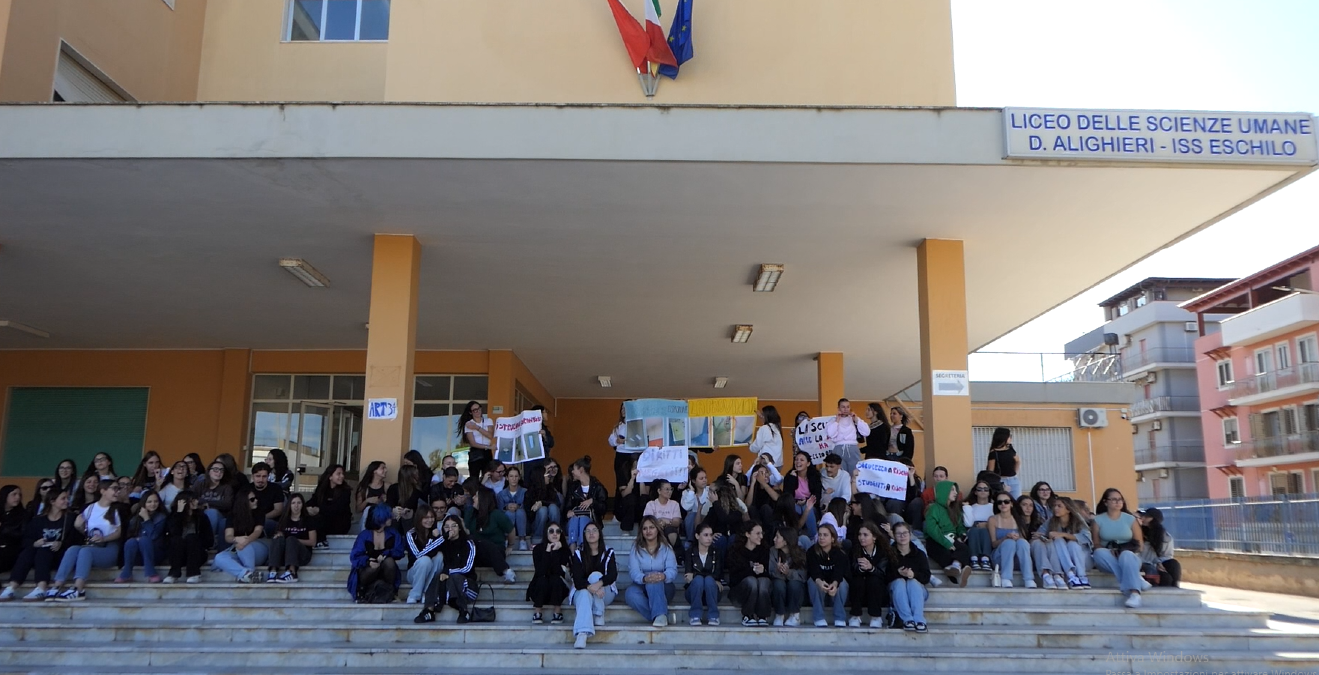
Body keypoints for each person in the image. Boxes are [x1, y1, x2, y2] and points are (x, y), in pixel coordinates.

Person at [49, 478, 122, 601]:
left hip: (109, 548)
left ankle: (79, 589)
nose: (118, 492)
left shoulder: (116, 509)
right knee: (73, 549)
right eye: (114, 488)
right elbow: (86, 531)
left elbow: (118, 533)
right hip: (93, 545)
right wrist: (79, 526)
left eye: (118, 489)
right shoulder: (90, 508)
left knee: (85, 551)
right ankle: (57, 585)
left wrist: (103, 539)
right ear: (103, 491)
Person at [0, 488, 71, 602]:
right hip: (40, 557)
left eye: (67, 498)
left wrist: (61, 543)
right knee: (29, 550)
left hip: (60, 556)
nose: (67, 501)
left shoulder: (70, 518)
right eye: (63, 498)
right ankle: (11, 587)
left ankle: (41, 588)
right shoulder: (38, 520)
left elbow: (76, 541)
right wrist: (35, 543)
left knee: (44, 550)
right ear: (52, 501)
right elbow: (26, 539)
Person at [414, 516, 477, 624]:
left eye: (454, 526)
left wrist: (448, 572)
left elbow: (467, 568)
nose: (450, 529)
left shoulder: (468, 543)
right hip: (447, 587)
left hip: (467, 588)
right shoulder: (443, 542)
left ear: (460, 528)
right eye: (447, 527)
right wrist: (442, 538)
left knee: (455, 576)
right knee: (438, 575)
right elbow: (423, 553)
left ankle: (464, 611)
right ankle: (429, 611)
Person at [1092, 488, 1147, 608]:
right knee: (1098, 552)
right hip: (1108, 557)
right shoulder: (1097, 520)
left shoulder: (1131, 519)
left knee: (1126, 555)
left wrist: (1121, 552)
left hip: (1129, 555)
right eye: (1114, 499)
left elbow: (1139, 544)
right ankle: (1135, 578)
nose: (1118, 502)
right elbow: (1096, 544)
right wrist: (1110, 551)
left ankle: (1135, 594)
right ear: (1105, 502)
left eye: (1120, 499)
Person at [570, 521, 618, 649]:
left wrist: (598, 584)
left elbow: (612, 575)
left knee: (595, 576)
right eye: (588, 531)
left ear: (599, 533)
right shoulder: (579, 554)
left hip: (605, 594)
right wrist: (591, 588)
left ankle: (598, 612)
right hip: (583, 593)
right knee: (585, 593)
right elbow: (578, 579)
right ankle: (582, 633)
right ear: (584, 535)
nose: (591, 533)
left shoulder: (608, 552)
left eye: (594, 530)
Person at [626, 516, 678, 628]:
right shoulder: (636, 548)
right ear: (641, 531)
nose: (648, 531)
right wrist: (644, 578)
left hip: (664, 586)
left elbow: (672, 570)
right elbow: (634, 571)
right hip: (642, 583)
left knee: (655, 582)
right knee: (630, 594)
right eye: (645, 528)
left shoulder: (666, 548)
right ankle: (662, 615)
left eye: (651, 527)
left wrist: (663, 576)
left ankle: (659, 614)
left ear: (657, 529)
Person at [348, 503, 404, 603]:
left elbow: (400, 551)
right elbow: (355, 556)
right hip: (368, 571)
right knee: (373, 567)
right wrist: (368, 561)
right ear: (381, 518)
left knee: (389, 562)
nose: (391, 518)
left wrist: (386, 553)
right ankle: (361, 591)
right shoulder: (364, 535)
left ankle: (392, 592)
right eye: (388, 516)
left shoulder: (393, 533)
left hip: (386, 571)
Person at [213, 486, 268, 584]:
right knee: (219, 557)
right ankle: (247, 574)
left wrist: (245, 541)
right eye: (252, 499)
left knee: (243, 547)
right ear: (243, 502)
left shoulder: (259, 513)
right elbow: (228, 536)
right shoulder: (232, 515)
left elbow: (257, 532)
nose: (256, 500)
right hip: (238, 548)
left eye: (255, 498)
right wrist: (236, 539)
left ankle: (247, 572)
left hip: (258, 547)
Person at [924, 480, 972, 586]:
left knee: (964, 548)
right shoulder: (933, 508)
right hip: (936, 540)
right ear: (944, 491)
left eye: (956, 490)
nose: (956, 493)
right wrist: (946, 543)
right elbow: (932, 529)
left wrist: (962, 535)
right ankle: (957, 572)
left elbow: (959, 527)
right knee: (944, 553)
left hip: (952, 539)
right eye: (952, 490)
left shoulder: (955, 510)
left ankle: (955, 566)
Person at [465, 486, 517, 583]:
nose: (473, 498)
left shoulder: (496, 514)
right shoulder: (470, 513)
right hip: (477, 553)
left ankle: (507, 572)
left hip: (496, 552)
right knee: (473, 541)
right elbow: (466, 531)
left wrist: (510, 545)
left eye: (476, 496)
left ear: (483, 499)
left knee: (486, 544)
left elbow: (511, 530)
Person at [726, 521, 772, 626]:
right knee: (752, 581)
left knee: (763, 581)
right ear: (747, 534)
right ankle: (748, 615)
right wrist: (752, 571)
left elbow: (770, 575)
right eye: (757, 533)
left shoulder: (764, 550)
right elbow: (734, 578)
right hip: (740, 592)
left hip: (760, 591)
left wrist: (763, 570)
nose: (761, 536)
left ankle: (762, 616)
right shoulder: (735, 551)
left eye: (762, 533)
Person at [115, 489, 166, 583]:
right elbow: (130, 535)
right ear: (144, 503)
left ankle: (151, 573)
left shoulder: (161, 517)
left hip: (155, 554)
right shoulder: (135, 518)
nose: (153, 504)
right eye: (149, 502)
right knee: (131, 542)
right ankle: (126, 573)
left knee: (144, 540)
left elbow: (153, 536)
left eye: (156, 501)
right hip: (138, 555)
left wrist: (146, 519)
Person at [848, 521, 893, 627]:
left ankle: (876, 616)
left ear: (874, 537)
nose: (861, 538)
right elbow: (851, 570)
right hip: (859, 591)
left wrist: (871, 568)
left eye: (865, 535)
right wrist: (862, 569)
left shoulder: (883, 552)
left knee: (874, 580)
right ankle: (855, 615)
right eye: (859, 534)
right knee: (858, 580)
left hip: (878, 592)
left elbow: (884, 574)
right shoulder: (855, 550)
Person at [888, 522, 930, 632]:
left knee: (912, 582)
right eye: (899, 534)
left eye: (905, 533)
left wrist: (913, 575)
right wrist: (898, 573)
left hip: (917, 590)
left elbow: (926, 577)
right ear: (893, 535)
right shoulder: (889, 554)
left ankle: (919, 620)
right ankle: (907, 619)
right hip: (896, 590)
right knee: (900, 582)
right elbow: (884, 576)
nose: (902, 536)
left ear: (910, 534)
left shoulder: (919, 554)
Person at [267, 492, 317, 583]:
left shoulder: (308, 520)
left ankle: (292, 572)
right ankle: (273, 572)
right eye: (293, 503)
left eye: (299, 503)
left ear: (303, 505)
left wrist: (295, 541)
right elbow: (279, 535)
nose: (296, 506)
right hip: (285, 555)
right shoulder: (284, 520)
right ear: (289, 505)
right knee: (277, 538)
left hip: (302, 555)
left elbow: (313, 542)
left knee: (291, 539)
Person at [988, 491, 1035, 588]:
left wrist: (1018, 538)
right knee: (1009, 542)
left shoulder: (1019, 519)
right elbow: (993, 544)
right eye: (999, 502)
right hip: (1000, 558)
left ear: (1011, 504)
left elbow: (1023, 542)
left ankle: (1029, 578)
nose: (1003, 504)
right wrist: (1005, 538)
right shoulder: (993, 519)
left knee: (1022, 542)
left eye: (1006, 501)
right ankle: (1006, 578)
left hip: (1017, 559)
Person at [806, 523, 850, 627]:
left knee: (842, 584)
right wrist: (820, 582)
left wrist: (834, 584)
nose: (821, 538)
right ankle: (819, 617)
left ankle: (839, 617)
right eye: (820, 535)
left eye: (825, 535)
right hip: (819, 583)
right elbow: (813, 572)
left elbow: (839, 573)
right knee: (813, 583)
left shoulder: (840, 553)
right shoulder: (812, 552)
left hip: (834, 584)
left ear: (833, 538)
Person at [527, 521, 570, 624]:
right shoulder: (538, 549)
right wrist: (547, 552)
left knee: (555, 579)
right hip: (540, 588)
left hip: (557, 589)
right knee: (542, 579)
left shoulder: (565, 551)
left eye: (558, 531)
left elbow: (558, 572)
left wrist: (555, 551)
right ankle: (537, 612)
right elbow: (540, 571)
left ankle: (557, 613)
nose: (554, 534)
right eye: (551, 531)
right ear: (546, 534)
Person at [163, 491, 211, 584]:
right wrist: (179, 514)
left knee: (191, 537)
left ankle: (194, 574)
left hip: (196, 553)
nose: (196, 502)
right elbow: (173, 534)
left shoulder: (201, 517)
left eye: (196, 500)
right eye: (192, 500)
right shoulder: (173, 516)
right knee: (177, 540)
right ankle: (174, 573)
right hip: (178, 554)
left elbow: (209, 539)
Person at [1046, 497, 1092, 590]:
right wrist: (1043, 534)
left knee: (1072, 544)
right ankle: (1071, 574)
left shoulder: (1078, 521)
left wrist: (1064, 534)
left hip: (1083, 560)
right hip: (1064, 561)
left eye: (1059, 506)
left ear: (1068, 509)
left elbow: (1086, 538)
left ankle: (1082, 576)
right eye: (1055, 506)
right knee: (1058, 540)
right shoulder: (1052, 521)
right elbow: (1041, 532)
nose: (1056, 508)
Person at [684, 522, 723, 625]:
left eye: (711, 535)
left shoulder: (716, 552)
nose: (709, 538)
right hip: (694, 592)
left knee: (708, 580)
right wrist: (706, 577)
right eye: (706, 535)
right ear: (697, 536)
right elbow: (688, 576)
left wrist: (696, 575)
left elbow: (718, 574)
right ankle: (695, 615)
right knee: (699, 580)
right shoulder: (689, 552)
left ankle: (713, 616)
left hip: (712, 592)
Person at [564, 457, 608, 548]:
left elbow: (603, 508)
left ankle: (582, 548)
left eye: (574, 469)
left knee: (583, 519)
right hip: (574, 521)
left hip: (593, 520)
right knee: (575, 519)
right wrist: (568, 511)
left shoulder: (597, 487)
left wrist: (592, 502)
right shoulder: (573, 487)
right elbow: (567, 506)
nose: (572, 472)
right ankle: (573, 552)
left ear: (581, 470)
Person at [769, 527, 807, 626]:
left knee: (795, 584)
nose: (774, 539)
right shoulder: (773, 551)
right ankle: (779, 614)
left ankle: (795, 615)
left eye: (777, 537)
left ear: (785, 541)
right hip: (779, 581)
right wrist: (779, 571)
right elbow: (770, 572)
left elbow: (802, 576)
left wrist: (788, 572)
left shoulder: (800, 553)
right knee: (778, 584)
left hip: (795, 585)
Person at [403, 507, 442, 604]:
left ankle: (426, 593)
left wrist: (436, 537)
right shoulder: (411, 534)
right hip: (414, 572)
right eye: (426, 518)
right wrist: (432, 539)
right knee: (425, 560)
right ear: (419, 519)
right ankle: (414, 595)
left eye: (432, 517)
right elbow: (418, 555)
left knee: (440, 556)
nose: (430, 520)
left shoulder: (436, 532)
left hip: (431, 571)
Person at [781, 451, 821, 541]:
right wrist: (792, 479)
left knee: (807, 509)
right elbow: (787, 496)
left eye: (802, 460)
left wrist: (806, 501)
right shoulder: (790, 476)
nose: (798, 462)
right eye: (796, 460)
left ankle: (813, 536)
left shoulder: (814, 476)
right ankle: (794, 534)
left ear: (808, 463)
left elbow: (817, 495)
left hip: (810, 503)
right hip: (794, 504)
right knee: (793, 508)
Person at [607, 401, 636, 516]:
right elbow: (610, 440)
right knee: (621, 485)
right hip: (621, 456)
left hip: (634, 455)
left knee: (634, 485)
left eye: (626, 409)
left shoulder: (638, 424)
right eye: (622, 409)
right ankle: (617, 514)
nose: (623, 411)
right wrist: (617, 441)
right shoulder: (618, 426)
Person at [824, 399, 869, 474]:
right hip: (838, 448)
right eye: (843, 407)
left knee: (855, 473)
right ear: (838, 408)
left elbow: (866, 432)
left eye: (848, 407)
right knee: (840, 474)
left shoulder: (854, 419)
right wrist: (837, 420)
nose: (845, 409)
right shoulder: (833, 420)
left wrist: (856, 420)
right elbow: (831, 434)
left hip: (852, 447)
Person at [307, 464, 352, 539]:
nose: (342, 476)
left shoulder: (345, 491)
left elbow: (338, 509)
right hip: (324, 520)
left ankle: (321, 541)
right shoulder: (321, 489)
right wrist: (306, 508)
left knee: (319, 519)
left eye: (342, 474)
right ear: (330, 476)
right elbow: (313, 500)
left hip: (339, 523)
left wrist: (319, 510)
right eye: (338, 474)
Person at [198, 460, 235, 551]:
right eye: (215, 469)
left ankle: (210, 541)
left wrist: (207, 503)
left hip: (220, 517)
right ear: (209, 471)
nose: (219, 472)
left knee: (212, 512)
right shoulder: (200, 484)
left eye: (221, 470)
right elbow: (193, 499)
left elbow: (228, 504)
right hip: (200, 514)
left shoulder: (227, 487)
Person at [1018, 494, 1053, 589]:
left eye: (1030, 505)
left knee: (1039, 542)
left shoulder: (1039, 522)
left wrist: (1043, 536)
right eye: (1024, 505)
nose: (1028, 508)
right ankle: (1046, 575)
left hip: (1038, 553)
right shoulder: (1013, 522)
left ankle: (1047, 575)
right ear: (1018, 506)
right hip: (1022, 556)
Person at [1139, 508, 1180, 588]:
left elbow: (1167, 555)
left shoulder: (1165, 536)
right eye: (1143, 516)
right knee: (1166, 578)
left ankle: (1175, 587)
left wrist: (1159, 563)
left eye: (1147, 517)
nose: (1143, 518)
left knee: (1173, 564)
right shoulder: (1138, 533)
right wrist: (1155, 563)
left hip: (1158, 563)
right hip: (1143, 563)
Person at [530, 460, 564, 545]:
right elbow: (529, 513)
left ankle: (555, 534)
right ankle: (538, 538)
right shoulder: (531, 489)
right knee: (543, 510)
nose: (549, 475)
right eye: (547, 473)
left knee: (552, 507)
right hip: (536, 524)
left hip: (553, 521)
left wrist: (542, 502)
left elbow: (557, 503)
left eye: (555, 467)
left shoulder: (551, 487)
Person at [962, 480, 994, 571]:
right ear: (975, 492)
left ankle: (985, 558)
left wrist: (988, 524)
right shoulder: (971, 507)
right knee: (974, 530)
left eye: (985, 489)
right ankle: (974, 558)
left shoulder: (994, 507)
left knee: (985, 531)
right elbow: (968, 523)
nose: (983, 491)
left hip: (989, 530)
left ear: (989, 492)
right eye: (979, 489)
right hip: (973, 530)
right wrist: (967, 508)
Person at [459, 400, 495, 480]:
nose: (478, 411)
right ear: (471, 412)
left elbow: (490, 435)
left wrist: (477, 427)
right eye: (475, 410)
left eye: (479, 408)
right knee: (474, 477)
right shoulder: (468, 424)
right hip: (476, 452)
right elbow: (473, 443)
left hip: (487, 452)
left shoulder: (488, 421)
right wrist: (488, 447)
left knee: (488, 476)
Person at [498, 466, 530, 551]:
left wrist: (519, 507)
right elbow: (499, 511)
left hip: (523, 522)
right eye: (511, 476)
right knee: (509, 513)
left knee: (520, 512)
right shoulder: (501, 494)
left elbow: (528, 508)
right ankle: (507, 539)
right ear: (507, 478)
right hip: (508, 521)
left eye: (516, 476)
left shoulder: (525, 491)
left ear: (519, 477)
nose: (514, 479)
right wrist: (506, 507)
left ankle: (522, 540)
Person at [643, 479, 682, 548]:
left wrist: (667, 522)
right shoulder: (651, 504)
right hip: (656, 530)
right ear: (659, 491)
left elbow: (677, 522)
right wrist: (659, 522)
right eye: (667, 489)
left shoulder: (674, 504)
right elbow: (647, 521)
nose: (670, 492)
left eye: (671, 489)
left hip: (670, 531)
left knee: (670, 530)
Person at [250, 462, 286, 534]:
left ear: (268, 477)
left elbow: (278, 510)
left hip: (269, 521)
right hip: (249, 520)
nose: (261, 479)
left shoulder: (276, 488)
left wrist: (260, 519)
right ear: (252, 476)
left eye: (264, 476)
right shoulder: (246, 488)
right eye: (258, 476)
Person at [388, 464, 424, 535]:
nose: (418, 476)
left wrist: (405, 511)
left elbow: (415, 507)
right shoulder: (393, 488)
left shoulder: (417, 491)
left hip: (410, 519)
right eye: (416, 474)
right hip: (395, 516)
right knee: (395, 517)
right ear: (409, 476)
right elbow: (389, 504)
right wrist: (396, 510)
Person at [986, 427, 1022, 499]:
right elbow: (990, 471)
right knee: (1002, 501)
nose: (1010, 438)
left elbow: (1017, 461)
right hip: (1001, 480)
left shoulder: (1011, 449)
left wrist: (1015, 472)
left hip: (1013, 479)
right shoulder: (994, 453)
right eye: (1009, 436)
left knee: (1017, 502)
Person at [680, 467, 713, 544]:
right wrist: (691, 491)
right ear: (694, 481)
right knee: (692, 515)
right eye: (701, 478)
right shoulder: (686, 493)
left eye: (705, 477)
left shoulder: (710, 491)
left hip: (707, 519)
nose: (704, 480)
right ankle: (692, 541)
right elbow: (686, 507)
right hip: (692, 523)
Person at [0, 486, 27, 575]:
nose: (18, 497)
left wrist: (3, 529)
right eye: (14, 494)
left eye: (19, 494)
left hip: (12, 550)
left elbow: (23, 534)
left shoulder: (23, 515)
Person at [746, 464, 780, 534]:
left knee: (765, 508)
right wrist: (752, 483)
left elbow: (777, 498)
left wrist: (763, 483)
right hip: (756, 520)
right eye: (761, 473)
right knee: (751, 509)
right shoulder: (752, 489)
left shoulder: (773, 487)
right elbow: (747, 505)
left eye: (766, 472)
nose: (765, 475)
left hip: (770, 520)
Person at [355, 460, 390, 528]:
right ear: (374, 471)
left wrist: (386, 501)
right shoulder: (364, 488)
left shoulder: (387, 486)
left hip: (383, 522)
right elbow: (358, 509)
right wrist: (367, 501)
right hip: (368, 523)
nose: (386, 470)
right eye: (383, 468)